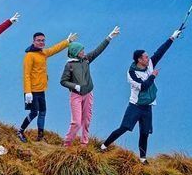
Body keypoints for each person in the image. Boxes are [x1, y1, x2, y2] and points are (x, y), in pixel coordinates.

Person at [100, 27, 182, 163]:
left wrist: (172, 37)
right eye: (145, 57)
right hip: (135, 106)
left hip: (147, 107)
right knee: (124, 128)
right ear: (139, 60)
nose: (148, 58)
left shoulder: (149, 64)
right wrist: (153, 76)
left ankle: (143, 159)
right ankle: (103, 146)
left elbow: (160, 52)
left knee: (144, 133)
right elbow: (143, 87)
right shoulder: (131, 73)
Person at [59, 26, 120, 146]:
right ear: (76, 53)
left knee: (86, 120)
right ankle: (67, 144)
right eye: (81, 51)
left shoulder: (86, 60)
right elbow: (63, 81)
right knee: (76, 122)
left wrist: (109, 37)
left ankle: (84, 144)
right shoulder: (69, 65)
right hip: (75, 96)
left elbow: (98, 50)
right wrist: (75, 86)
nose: (84, 52)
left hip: (88, 94)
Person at [17, 29, 77, 142]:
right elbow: (26, 74)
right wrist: (28, 91)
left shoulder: (43, 53)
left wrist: (67, 41)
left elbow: (54, 49)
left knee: (43, 112)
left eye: (43, 40)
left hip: (41, 89)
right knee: (34, 112)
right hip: (32, 90)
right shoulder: (30, 56)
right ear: (33, 41)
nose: (41, 42)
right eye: (39, 40)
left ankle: (40, 136)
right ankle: (20, 131)